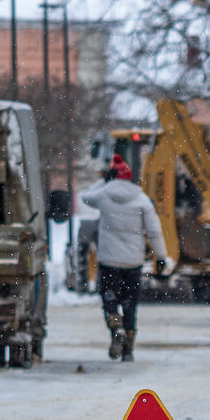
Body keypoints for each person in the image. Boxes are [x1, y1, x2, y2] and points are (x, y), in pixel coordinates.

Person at [80, 154, 172, 362]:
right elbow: (155, 231)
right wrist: (161, 257)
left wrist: (104, 182)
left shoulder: (103, 195)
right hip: (133, 263)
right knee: (130, 304)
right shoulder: (142, 200)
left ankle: (115, 327)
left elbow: (85, 197)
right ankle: (128, 349)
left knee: (110, 300)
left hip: (109, 262)